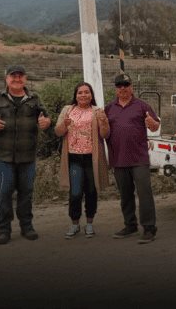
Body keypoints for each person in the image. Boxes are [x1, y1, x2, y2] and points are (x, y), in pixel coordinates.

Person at [0, 65, 51, 245]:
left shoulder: (34, 98)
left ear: (25, 79)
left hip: (28, 157)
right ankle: (4, 230)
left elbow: (47, 119)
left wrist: (45, 122)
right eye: (13, 76)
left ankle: (27, 227)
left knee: (26, 193)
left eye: (20, 76)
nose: (17, 79)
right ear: (6, 78)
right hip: (4, 157)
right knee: (4, 193)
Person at [104, 73, 161, 244]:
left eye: (126, 85)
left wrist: (151, 123)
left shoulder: (142, 106)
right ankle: (130, 225)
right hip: (119, 158)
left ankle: (149, 228)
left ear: (131, 87)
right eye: (119, 86)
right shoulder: (109, 108)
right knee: (125, 194)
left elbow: (155, 125)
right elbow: (104, 131)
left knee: (144, 193)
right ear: (116, 89)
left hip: (139, 158)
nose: (123, 88)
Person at [54, 81, 110, 239]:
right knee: (76, 192)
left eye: (87, 92)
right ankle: (75, 223)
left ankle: (90, 223)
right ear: (75, 95)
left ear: (91, 95)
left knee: (91, 191)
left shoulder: (97, 111)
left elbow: (105, 134)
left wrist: (104, 121)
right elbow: (58, 132)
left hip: (92, 158)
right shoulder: (67, 110)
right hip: (74, 158)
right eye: (80, 92)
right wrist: (64, 125)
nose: (83, 95)